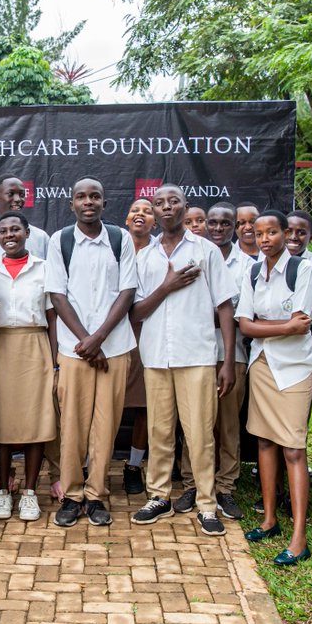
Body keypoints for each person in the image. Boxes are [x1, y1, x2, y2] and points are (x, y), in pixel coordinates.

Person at [129, 186, 237, 537]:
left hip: (198, 355)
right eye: (159, 203)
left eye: (173, 201)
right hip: (157, 355)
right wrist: (167, 285)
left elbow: (224, 306)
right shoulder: (144, 257)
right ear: (154, 210)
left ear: (185, 207)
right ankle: (158, 495)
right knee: (159, 431)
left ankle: (207, 503)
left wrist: (227, 361)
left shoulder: (205, 251)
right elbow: (137, 311)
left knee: (200, 433)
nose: (166, 207)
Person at [46, 178, 138, 528]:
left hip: (113, 348)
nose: (88, 201)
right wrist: (87, 341)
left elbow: (127, 292)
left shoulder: (119, 239)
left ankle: (96, 494)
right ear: (72, 204)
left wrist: (99, 338)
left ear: (104, 202)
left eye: (95, 196)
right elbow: (57, 295)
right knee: (72, 424)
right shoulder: (61, 241)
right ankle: (71, 495)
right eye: (81, 196)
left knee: (106, 425)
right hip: (75, 351)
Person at [237, 211, 312, 565]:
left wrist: (267, 325)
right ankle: (269, 519)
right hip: (262, 365)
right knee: (265, 441)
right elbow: (244, 325)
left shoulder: (304, 269)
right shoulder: (253, 271)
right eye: (259, 233)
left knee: (293, 449)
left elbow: (302, 325)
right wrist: (282, 326)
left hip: (296, 368)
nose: (265, 238)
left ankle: (299, 537)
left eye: (272, 232)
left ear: (286, 234)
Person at [0, 212, 57, 523]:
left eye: (16, 229)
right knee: (0, 423)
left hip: (34, 344)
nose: (9, 235)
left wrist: (55, 361)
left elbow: (53, 317)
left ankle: (29, 492)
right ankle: (2, 490)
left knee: (35, 422)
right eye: (3, 230)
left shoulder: (43, 268)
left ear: (28, 232)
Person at [188, 201, 253, 520]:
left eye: (225, 223)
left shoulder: (248, 265)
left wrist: (208, 313)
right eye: (211, 222)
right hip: (195, 354)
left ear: (236, 227)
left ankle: (225, 487)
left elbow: (242, 315)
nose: (217, 228)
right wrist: (215, 313)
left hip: (232, 355)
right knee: (193, 424)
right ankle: (192, 482)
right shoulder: (192, 254)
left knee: (228, 426)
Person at [121, 197, 155, 496]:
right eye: (135, 210)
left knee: (144, 405)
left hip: (148, 335)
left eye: (147, 211)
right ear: (126, 219)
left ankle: (133, 466)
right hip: (112, 333)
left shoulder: (161, 252)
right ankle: (90, 463)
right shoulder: (113, 246)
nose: (140, 215)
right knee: (104, 405)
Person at [0, 176, 51, 261]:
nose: (18, 199)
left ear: (27, 233)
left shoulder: (41, 238)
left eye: (22, 195)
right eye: (10, 194)